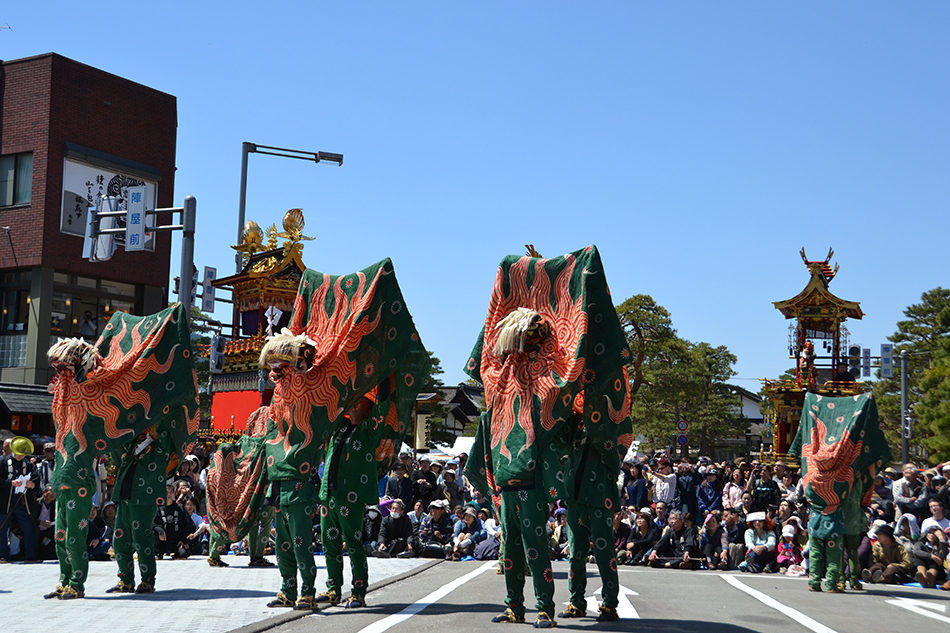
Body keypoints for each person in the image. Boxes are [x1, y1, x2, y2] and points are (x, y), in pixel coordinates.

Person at [0, 436, 38, 563]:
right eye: (19, 454)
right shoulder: (3, 461)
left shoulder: (27, 464)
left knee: (28, 527)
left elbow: (36, 480)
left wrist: (31, 484)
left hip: (22, 502)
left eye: (23, 454)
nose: (21, 456)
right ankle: (3, 555)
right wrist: (10, 483)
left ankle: (30, 555)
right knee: (2, 527)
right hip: (5, 501)